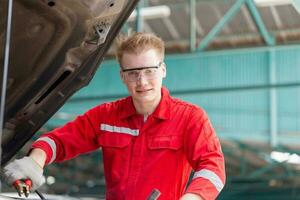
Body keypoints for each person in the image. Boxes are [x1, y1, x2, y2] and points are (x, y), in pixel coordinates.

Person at [4, 32, 226, 200]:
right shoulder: (107, 117)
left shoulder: (190, 118)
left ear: (163, 70)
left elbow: (212, 167)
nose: (142, 81)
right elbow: (59, 140)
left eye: (149, 70)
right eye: (133, 73)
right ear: (122, 76)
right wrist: (34, 161)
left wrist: (191, 198)